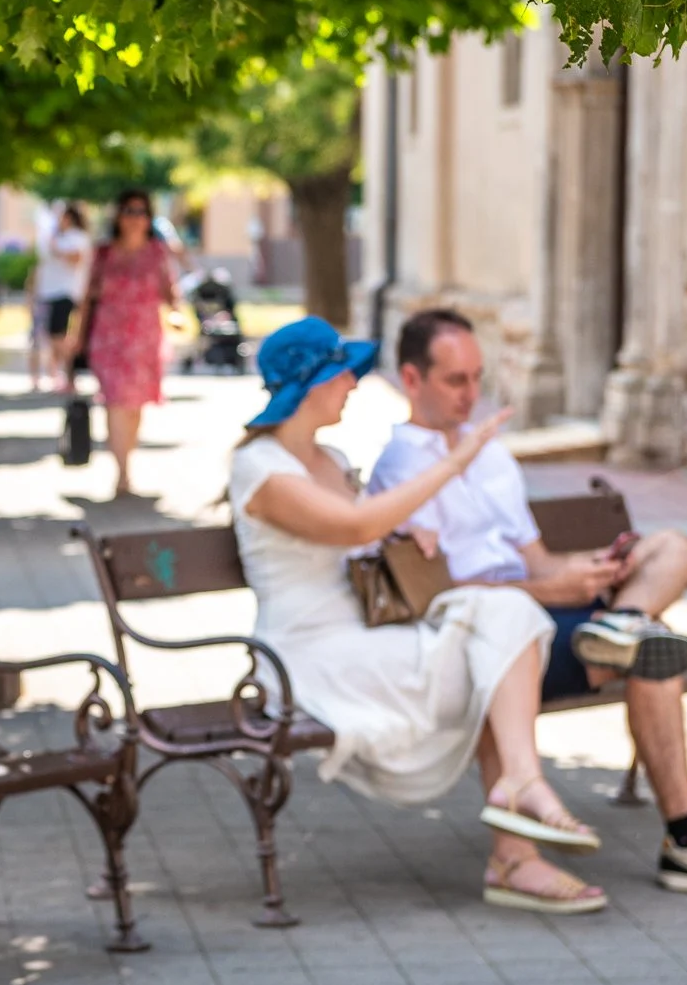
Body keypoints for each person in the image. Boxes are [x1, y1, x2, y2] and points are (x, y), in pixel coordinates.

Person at [369, 309, 687, 897]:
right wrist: (549, 590)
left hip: (540, 608)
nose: (472, 395)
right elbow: (439, 598)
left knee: (672, 548)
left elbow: (535, 558)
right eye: (455, 380)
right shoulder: (401, 468)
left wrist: (587, 569)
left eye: (478, 377)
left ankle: (623, 621)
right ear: (411, 380)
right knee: (653, 653)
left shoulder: (488, 452)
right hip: (485, 638)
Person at [231, 316, 609, 914]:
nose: (353, 384)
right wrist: (455, 463)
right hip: (307, 653)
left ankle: (521, 785)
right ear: (313, 384)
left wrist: (405, 536)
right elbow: (355, 524)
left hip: (365, 634)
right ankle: (515, 853)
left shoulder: (329, 457)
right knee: (495, 655)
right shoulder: (260, 470)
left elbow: (362, 538)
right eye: (343, 374)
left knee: (504, 615)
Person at [76, 190, 178, 497]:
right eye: (129, 212)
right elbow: (86, 297)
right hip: (110, 339)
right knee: (116, 402)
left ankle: (127, 460)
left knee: (135, 407)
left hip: (145, 340)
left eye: (141, 212)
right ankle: (122, 472)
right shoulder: (104, 253)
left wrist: (177, 313)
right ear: (118, 216)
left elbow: (170, 291)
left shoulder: (157, 252)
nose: (135, 219)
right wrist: (75, 337)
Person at [30, 204, 92, 392]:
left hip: (65, 293)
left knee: (60, 337)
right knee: (52, 337)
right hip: (48, 293)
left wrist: (54, 246)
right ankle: (58, 375)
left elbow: (76, 259)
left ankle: (69, 376)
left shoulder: (77, 238)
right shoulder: (54, 237)